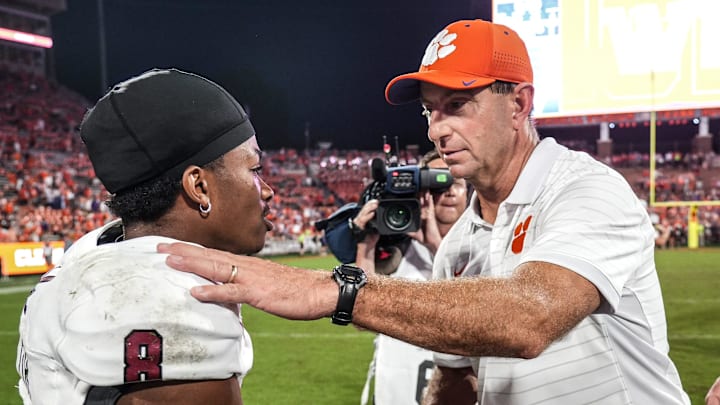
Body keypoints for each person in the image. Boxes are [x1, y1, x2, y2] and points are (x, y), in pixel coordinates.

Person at [158, 19, 691, 404]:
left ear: (521, 105)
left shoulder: (587, 189)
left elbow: (530, 318)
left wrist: (333, 289)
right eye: (430, 110)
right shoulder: (461, 242)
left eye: (458, 105)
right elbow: (455, 380)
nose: (437, 128)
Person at [16, 68, 274, 404]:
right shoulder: (174, 302)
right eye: (254, 169)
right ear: (199, 186)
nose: (266, 190)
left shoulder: (91, 250)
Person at [354, 150, 473, 405]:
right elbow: (361, 319)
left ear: (469, 192)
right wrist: (366, 243)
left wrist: (436, 247)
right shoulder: (396, 250)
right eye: (440, 182)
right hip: (396, 392)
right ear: (422, 191)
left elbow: (475, 312)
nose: (450, 190)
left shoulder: (484, 247)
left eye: (458, 183)